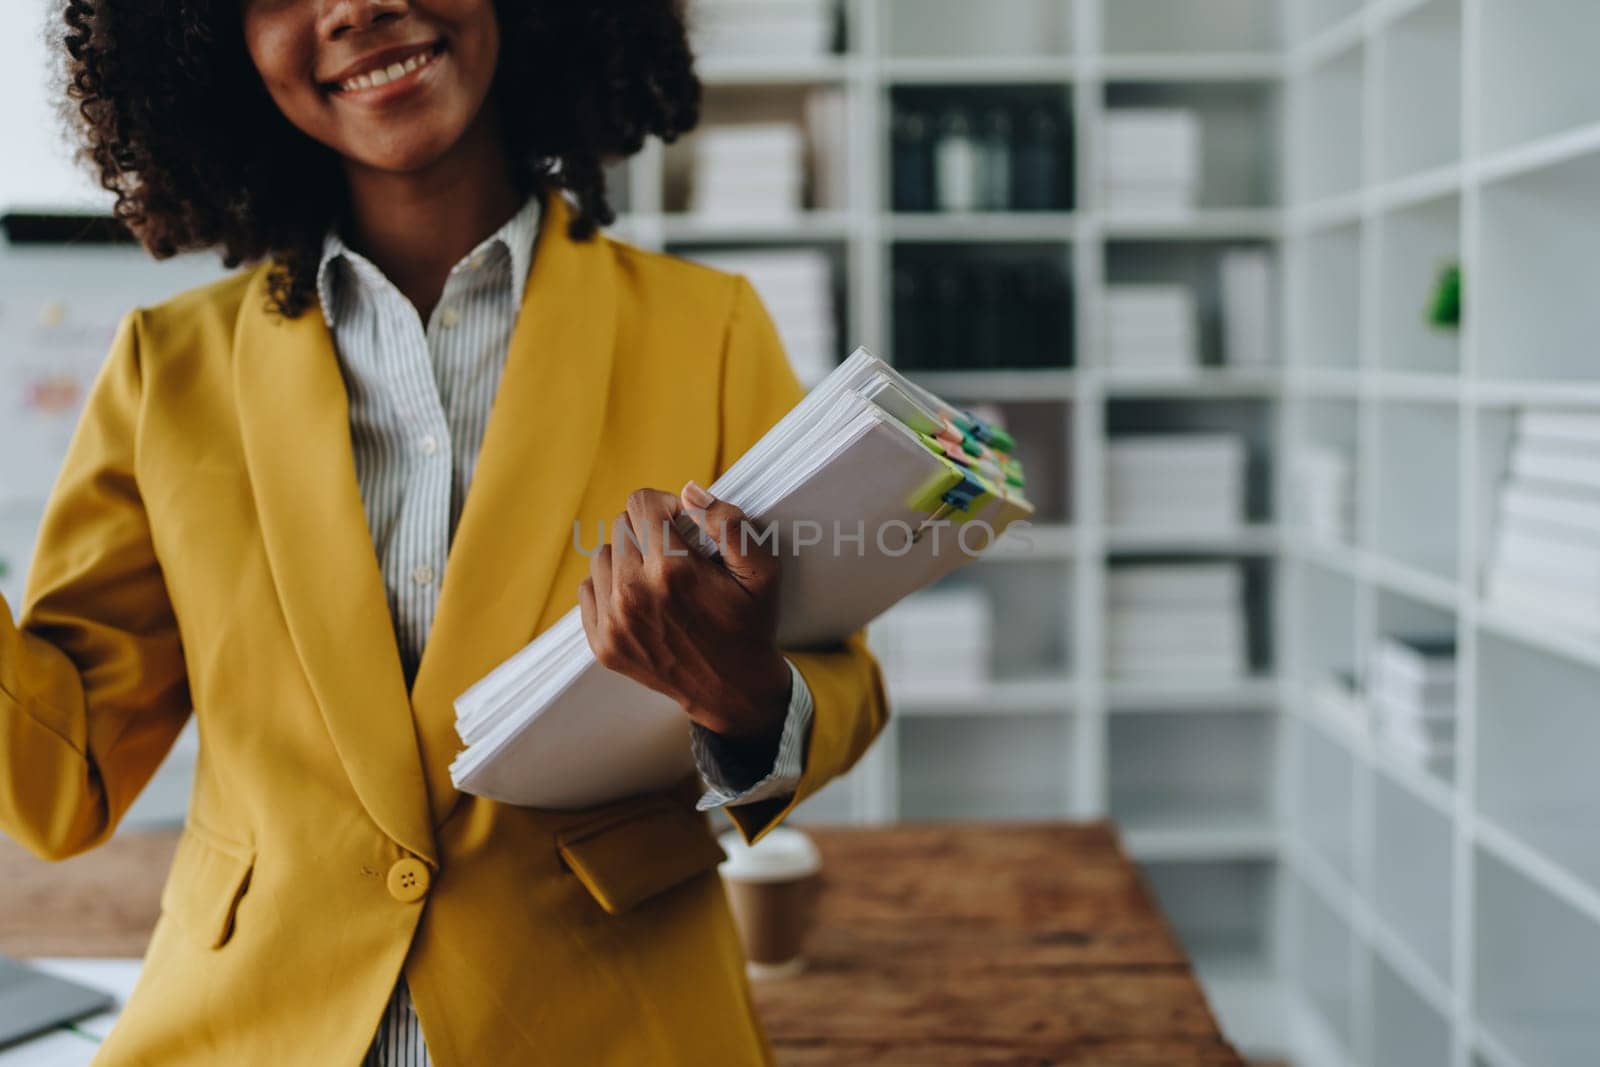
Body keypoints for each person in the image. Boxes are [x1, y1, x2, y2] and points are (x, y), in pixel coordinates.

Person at [0, 0, 888, 1062]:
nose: (356, 7)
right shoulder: (166, 369)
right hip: (252, 1022)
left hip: (610, 1017)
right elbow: (60, 787)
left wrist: (742, 693)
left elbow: (840, 677)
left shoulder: (709, 330)